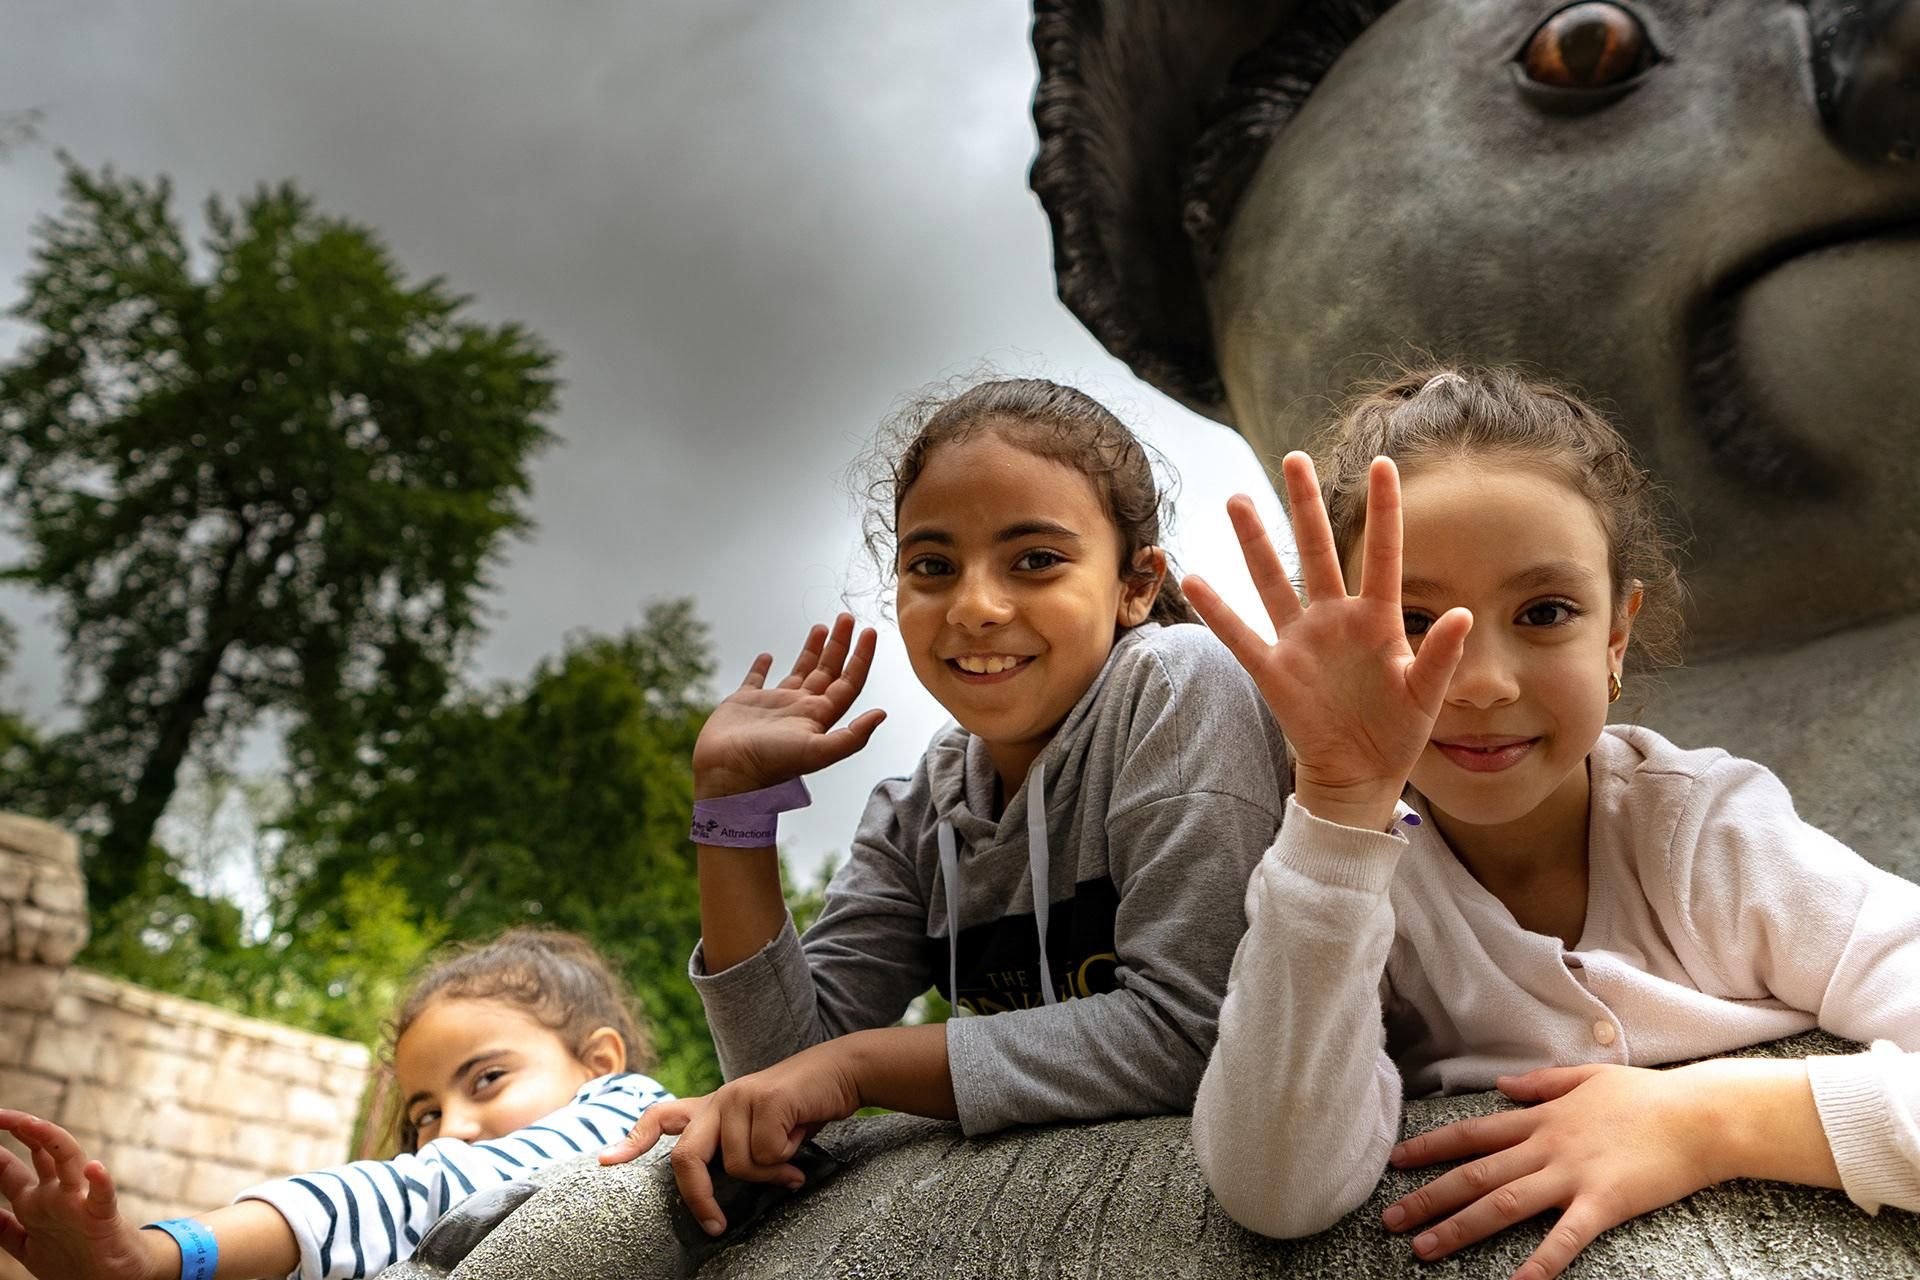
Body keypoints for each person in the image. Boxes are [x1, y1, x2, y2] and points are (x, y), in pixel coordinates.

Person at [1183, 367, 1920, 1280]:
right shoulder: (1350, 880)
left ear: (1615, 638)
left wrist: (1705, 1123)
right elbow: (1275, 1189)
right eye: (1415, 620)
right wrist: (1339, 808)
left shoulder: (1709, 836)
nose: (1482, 680)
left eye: (1545, 613)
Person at [603, 377, 1290, 1235]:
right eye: (932, 566)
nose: (975, 606)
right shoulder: (922, 808)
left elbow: (1202, 1037)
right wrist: (734, 813)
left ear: (1136, 585)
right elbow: (782, 1075)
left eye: (1035, 560)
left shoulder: (1181, 683)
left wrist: (859, 1069)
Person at [0, 928, 672, 1280]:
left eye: (487, 1079)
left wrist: (161, 1257)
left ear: (600, 1063)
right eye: (425, 1114)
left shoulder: (629, 1114)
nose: (447, 1132)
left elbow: (422, 1190)